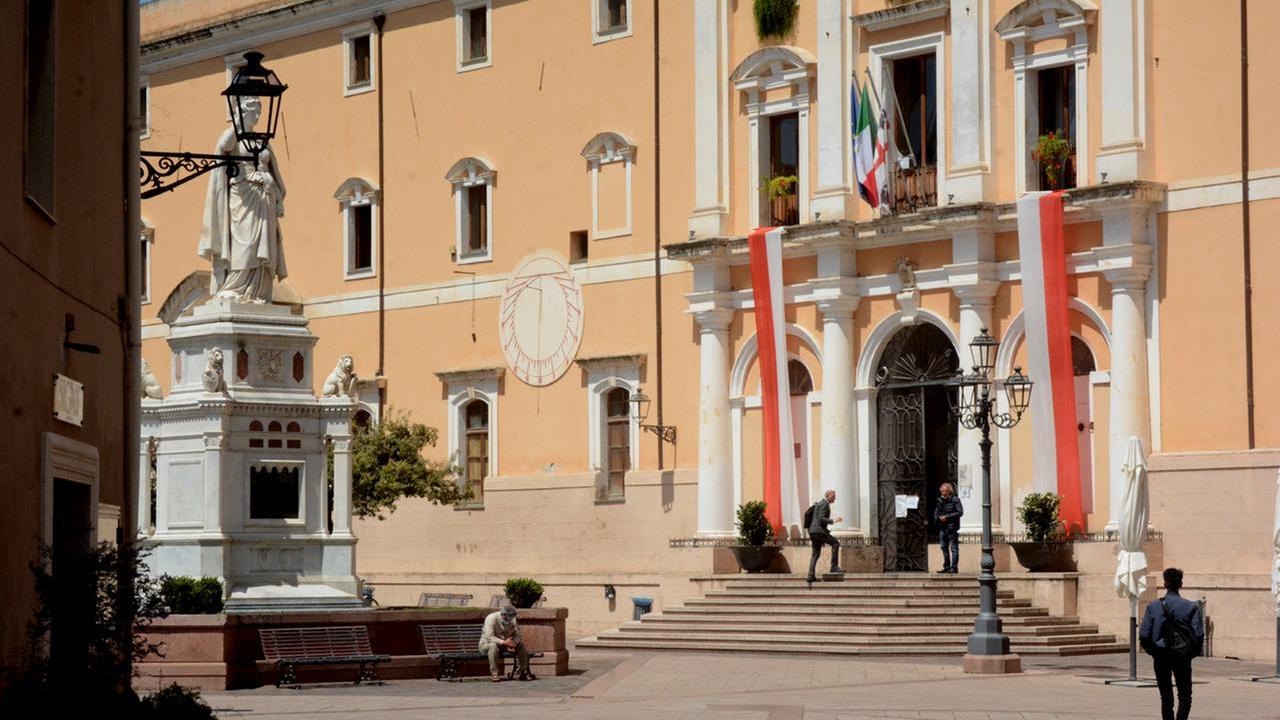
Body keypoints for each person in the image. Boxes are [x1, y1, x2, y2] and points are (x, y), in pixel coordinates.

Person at [198, 95, 287, 304]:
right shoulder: (234, 137)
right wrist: (237, 125)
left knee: (262, 245)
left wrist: (277, 196)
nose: (257, 115)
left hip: (265, 196)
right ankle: (234, 286)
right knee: (244, 243)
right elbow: (223, 146)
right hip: (242, 196)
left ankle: (257, 291)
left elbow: (272, 170)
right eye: (253, 111)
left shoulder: (261, 140)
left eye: (259, 111)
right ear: (243, 111)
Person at [1139, 567, 1205, 720]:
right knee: (1185, 695)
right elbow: (1199, 634)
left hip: (1161, 655)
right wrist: (1191, 653)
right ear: (1180, 583)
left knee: (1166, 697)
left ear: (1165, 583)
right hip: (1182, 655)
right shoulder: (1190, 607)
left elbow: (1143, 634)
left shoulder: (1153, 606)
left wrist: (1153, 651)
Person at [479, 603, 533, 682]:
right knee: (493, 646)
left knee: (520, 645)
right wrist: (504, 642)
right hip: (486, 645)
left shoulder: (513, 619)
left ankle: (523, 672)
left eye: (512, 617)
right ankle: (494, 674)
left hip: (504, 644)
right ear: (503, 615)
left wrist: (514, 642)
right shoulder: (491, 618)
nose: (512, 619)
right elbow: (489, 637)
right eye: (509, 617)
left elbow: (517, 634)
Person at [806, 489, 844, 583]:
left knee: (815, 553)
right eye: (834, 496)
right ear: (829, 496)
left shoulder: (820, 503)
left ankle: (810, 575)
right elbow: (821, 518)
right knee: (835, 544)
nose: (835, 498)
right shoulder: (824, 504)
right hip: (818, 531)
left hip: (813, 531)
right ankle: (834, 567)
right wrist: (833, 521)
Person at [934, 482, 963, 574]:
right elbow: (936, 512)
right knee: (943, 547)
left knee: (954, 548)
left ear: (949, 491)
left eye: (946, 491)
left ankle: (954, 567)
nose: (944, 493)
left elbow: (960, 512)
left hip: (952, 528)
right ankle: (946, 567)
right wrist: (938, 518)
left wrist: (947, 517)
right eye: (942, 491)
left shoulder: (955, 500)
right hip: (942, 528)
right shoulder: (940, 501)